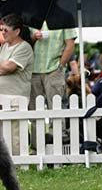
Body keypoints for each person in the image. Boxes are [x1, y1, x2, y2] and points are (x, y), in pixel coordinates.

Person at [28, 21, 77, 152]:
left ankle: (56, 148)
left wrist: (60, 66)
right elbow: (24, 42)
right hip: (33, 69)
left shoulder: (65, 17)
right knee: (34, 112)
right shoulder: (32, 16)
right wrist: (33, 37)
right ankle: (36, 149)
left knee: (56, 110)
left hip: (54, 69)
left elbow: (70, 45)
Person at [0, 14, 34, 155]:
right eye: (2, 30)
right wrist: (0, 67)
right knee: (2, 132)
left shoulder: (24, 47)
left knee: (15, 133)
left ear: (17, 31)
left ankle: (18, 162)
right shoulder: (4, 47)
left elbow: (9, 67)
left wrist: (0, 67)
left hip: (15, 97)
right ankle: (7, 160)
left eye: (6, 30)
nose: (2, 33)